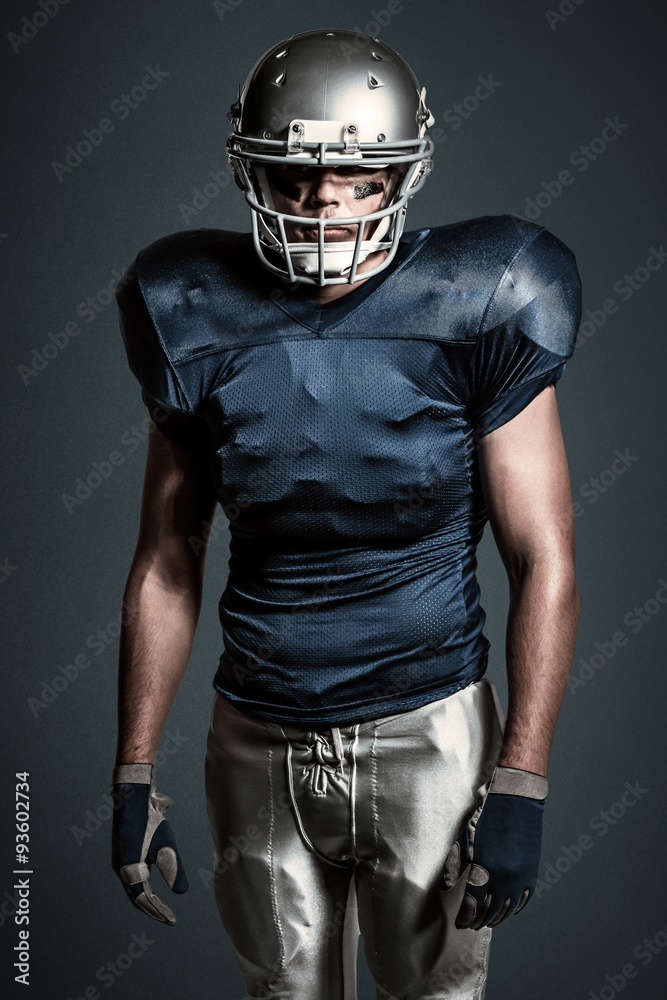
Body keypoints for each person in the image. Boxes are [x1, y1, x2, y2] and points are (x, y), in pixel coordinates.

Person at [110, 28, 582, 1000]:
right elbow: (168, 551)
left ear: (402, 171)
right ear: (250, 168)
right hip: (256, 734)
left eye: (359, 173)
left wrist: (522, 776)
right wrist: (132, 767)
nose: (323, 198)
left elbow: (543, 553)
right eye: (294, 176)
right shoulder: (188, 306)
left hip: (431, 730)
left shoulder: (484, 298)